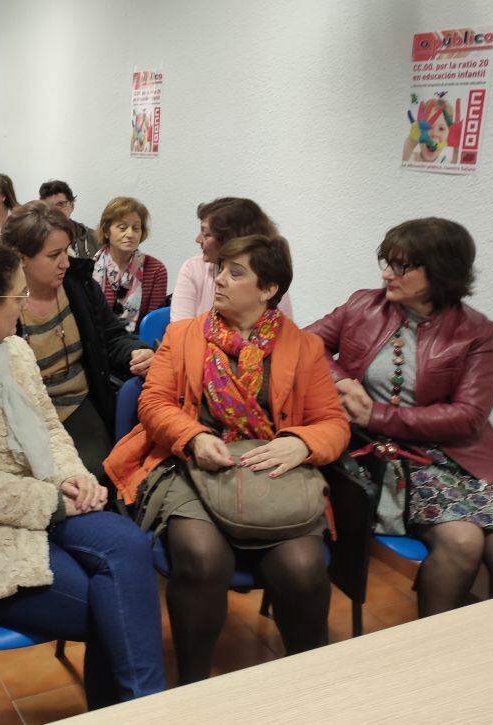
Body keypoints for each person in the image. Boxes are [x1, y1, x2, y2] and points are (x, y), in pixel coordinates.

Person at [0, 243, 165, 709]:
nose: (26, 306)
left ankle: (141, 710)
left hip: (41, 497)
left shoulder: (14, 350)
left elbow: (47, 427)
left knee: (129, 546)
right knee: (112, 608)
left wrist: (73, 476)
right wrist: (53, 502)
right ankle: (142, 710)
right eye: (18, 298)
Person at [105, 234, 349, 685]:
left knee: (303, 567)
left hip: (273, 471)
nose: (218, 279)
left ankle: (309, 686)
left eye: (235, 273)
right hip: (193, 466)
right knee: (201, 557)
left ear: (268, 289)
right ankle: (194, 688)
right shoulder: (182, 335)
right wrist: (194, 437)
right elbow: (153, 404)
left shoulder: (303, 347)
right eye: (220, 268)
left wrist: (301, 442)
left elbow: (332, 423)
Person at [305, 218, 493, 617]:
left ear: (441, 272)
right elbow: (306, 343)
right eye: (387, 262)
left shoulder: (477, 333)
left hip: (467, 458)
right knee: (462, 542)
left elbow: (468, 417)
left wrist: (375, 412)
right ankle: (436, 656)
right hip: (392, 457)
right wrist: (344, 383)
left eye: (401, 267)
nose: (386, 274)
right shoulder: (363, 305)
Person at [1, 201, 153, 483]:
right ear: (21, 257)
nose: (66, 263)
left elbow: (111, 335)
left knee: (97, 476)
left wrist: (137, 352)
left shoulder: (78, 287)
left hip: (76, 406)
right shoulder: (1, 305)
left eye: (67, 251)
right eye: (54, 255)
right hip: (25, 417)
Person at [170, 197, 293, 322]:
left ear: (230, 240)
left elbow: (285, 332)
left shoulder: (270, 277)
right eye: (222, 269)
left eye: (206, 234)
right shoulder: (193, 269)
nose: (198, 239)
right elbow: (180, 332)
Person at [91, 197, 169, 334]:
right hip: (97, 345)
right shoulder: (89, 269)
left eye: (136, 228)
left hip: (138, 348)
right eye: (122, 228)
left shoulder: (156, 270)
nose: (130, 234)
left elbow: (152, 328)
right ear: (106, 231)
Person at [39, 179, 99, 258]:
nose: (55, 210)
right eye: (49, 206)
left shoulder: (92, 237)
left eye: (61, 204)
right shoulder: (37, 239)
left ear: (72, 206)